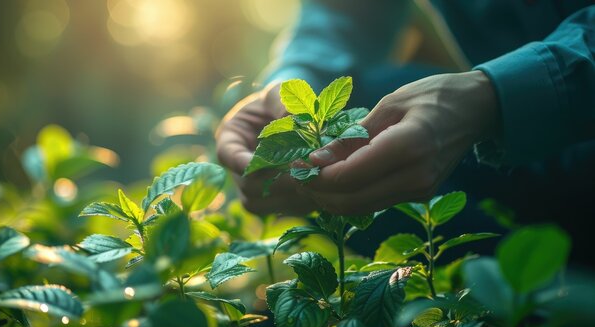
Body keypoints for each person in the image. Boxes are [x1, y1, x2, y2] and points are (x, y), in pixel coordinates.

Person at [216, 0, 595, 250]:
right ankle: (514, 301)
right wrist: (296, 76)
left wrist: (491, 97)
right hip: (514, 149)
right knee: (366, 120)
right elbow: (346, 12)